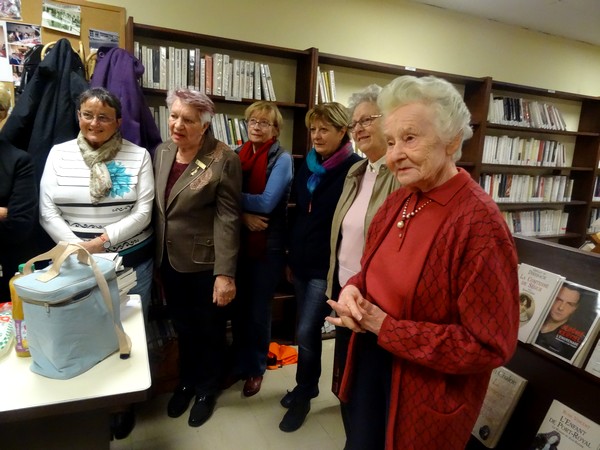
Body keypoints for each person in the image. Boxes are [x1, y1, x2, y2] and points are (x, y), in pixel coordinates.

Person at [326, 75, 520, 449]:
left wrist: (387, 329)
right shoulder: (400, 198)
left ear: (451, 140)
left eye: (410, 138)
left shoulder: (479, 222)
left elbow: (489, 346)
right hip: (370, 367)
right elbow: (370, 272)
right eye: (393, 140)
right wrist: (352, 291)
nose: (395, 153)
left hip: (422, 395)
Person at [39, 87, 155, 439]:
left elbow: (144, 210)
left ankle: (123, 403)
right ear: (78, 117)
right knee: (84, 330)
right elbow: (47, 210)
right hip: (76, 262)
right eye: (88, 115)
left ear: (118, 122)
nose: (94, 123)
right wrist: (79, 246)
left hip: (130, 262)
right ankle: (90, 402)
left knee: (127, 329)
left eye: (104, 116)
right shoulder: (58, 155)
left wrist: (104, 240)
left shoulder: (139, 156)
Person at [154, 88, 242, 428]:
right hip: (168, 260)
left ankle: (206, 390)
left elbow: (228, 218)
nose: (177, 125)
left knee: (209, 331)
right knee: (184, 328)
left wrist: (225, 274)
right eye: (174, 116)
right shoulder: (162, 152)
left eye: (188, 120)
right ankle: (186, 382)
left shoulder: (224, 159)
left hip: (206, 265)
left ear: (204, 125)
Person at [281, 102, 362, 432]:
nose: (316, 135)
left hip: (326, 268)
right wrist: (290, 255)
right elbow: (300, 212)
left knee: (306, 331)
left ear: (343, 132)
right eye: (313, 129)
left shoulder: (355, 169)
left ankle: (304, 391)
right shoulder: (309, 165)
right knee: (306, 327)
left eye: (324, 129)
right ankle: (309, 385)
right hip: (300, 260)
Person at [325, 85, 400, 433]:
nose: (359, 128)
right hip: (346, 291)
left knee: (370, 385)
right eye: (355, 122)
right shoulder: (356, 173)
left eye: (368, 119)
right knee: (346, 379)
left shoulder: (400, 177)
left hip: (376, 302)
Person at [227, 101, 293, 397]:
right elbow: (221, 197)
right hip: (238, 243)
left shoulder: (283, 159)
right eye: (252, 121)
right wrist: (241, 214)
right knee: (238, 309)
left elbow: (267, 202)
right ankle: (239, 364)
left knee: (257, 312)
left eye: (264, 123)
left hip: (268, 247)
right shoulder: (237, 154)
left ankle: (255, 369)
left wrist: (231, 199)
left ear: (275, 130)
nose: (256, 126)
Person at [0, 89, 37, 301]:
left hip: (6, 269)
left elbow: (20, 223)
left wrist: (10, 215)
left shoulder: (19, 160)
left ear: (3, 114)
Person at [535, 284, 582, 359]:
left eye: (569, 304)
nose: (561, 307)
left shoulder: (571, 342)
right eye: (558, 300)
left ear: (575, 308)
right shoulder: (535, 318)